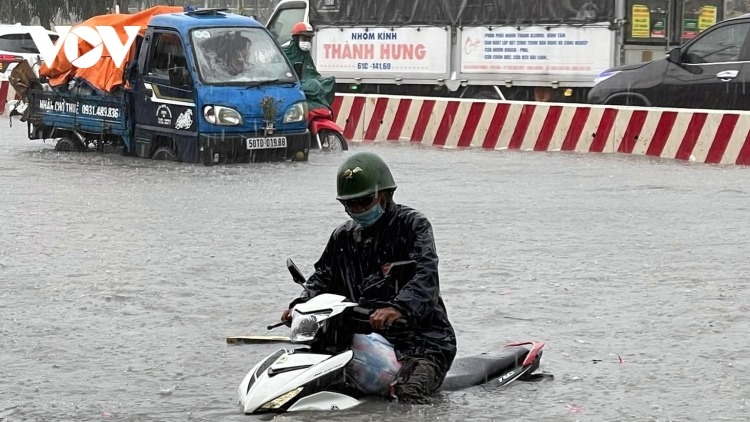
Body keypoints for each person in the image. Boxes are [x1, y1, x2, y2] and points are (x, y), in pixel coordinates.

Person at [280, 152, 457, 404]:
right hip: (360, 339)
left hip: (423, 342)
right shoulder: (343, 236)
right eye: (350, 204)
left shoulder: (413, 225)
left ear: (385, 194)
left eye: (364, 201)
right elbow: (322, 277)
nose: (358, 209)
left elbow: (425, 276)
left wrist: (398, 308)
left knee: (408, 395)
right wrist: (299, 306)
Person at [282, 22, 335, 111]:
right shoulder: (285, 52)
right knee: (315, 85)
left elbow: (312, 72)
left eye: (309, 39)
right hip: (291, 85)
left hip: (306, 83)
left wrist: (322, 80)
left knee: (330, 81)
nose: (307, 42)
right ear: (296, 38)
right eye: (304, 38)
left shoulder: (306, 54)